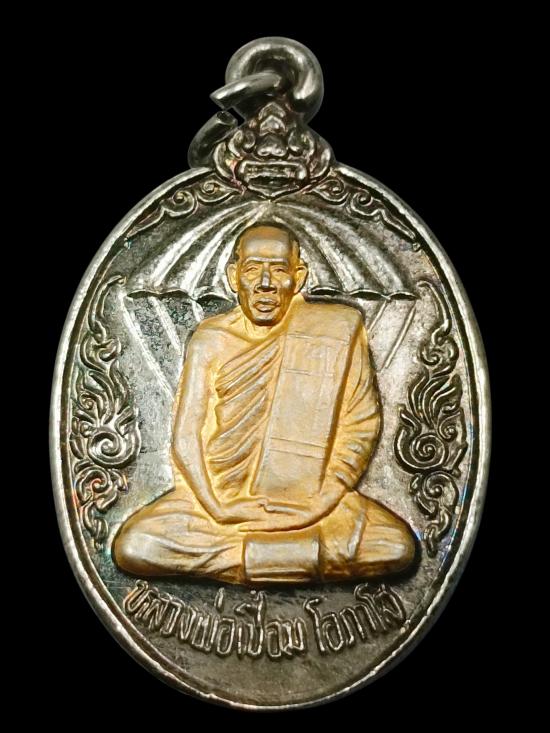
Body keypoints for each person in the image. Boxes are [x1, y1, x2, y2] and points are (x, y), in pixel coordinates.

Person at [114, 224, 415, 584]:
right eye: (253, 269)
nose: (266, 284)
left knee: (395, 546)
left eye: (279, 269)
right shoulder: (211, 339)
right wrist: (219, 509)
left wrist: (324, 499)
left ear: (298, 277)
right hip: (221, 502)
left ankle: (244, 556)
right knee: (136, 545)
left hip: (315, 502)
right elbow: (186, 438)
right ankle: (292, 555)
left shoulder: (335, 330)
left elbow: (361, 424)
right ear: (234, 276)